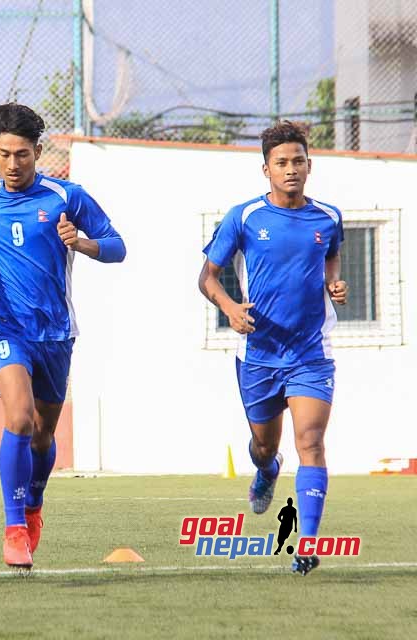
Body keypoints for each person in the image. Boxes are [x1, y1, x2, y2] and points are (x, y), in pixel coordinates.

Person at [0, 103, 126, 568]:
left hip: (54, 332)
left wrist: (82, 242)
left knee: (43, 434)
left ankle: (33, 503)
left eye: (23, 155)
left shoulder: (66, 196)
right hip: (3, 325)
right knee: (19, 417)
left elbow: (117, 247)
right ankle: (14, 527)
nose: (14, 165)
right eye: (5, 154)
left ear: (37, 151)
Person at [198, 120, 347, 576]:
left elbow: (330, 257)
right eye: (281, 163)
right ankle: (266, 470)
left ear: (309, 164)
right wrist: (229, 307)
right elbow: (206, 278)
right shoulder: (243, 217)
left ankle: (307, 543)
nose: (291, 169)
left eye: (298, 161)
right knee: (265, 446)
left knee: (312, 441)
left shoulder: (328, 217)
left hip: (309, 353)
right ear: (265, 169)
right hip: (260, 354)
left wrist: (333, 283)